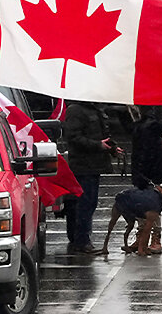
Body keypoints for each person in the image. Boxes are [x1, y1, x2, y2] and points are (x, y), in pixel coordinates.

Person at [63, 101, 117, 254]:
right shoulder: (75, 110)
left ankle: (79, 239)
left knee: (87, 203)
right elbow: (73, 138)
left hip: (93, 165)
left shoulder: (95, 109)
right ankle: (81, 241)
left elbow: (101, 135)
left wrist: (111, 147)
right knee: (84, 204)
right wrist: (97, 145)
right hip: (82, 166)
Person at [129, 106, 162, 255]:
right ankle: (142, 236)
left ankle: (154, 236)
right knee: (142, 202)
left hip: (150, 167)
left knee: (152, 203)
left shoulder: (151, 123)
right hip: (143, 165)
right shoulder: (142, 122)